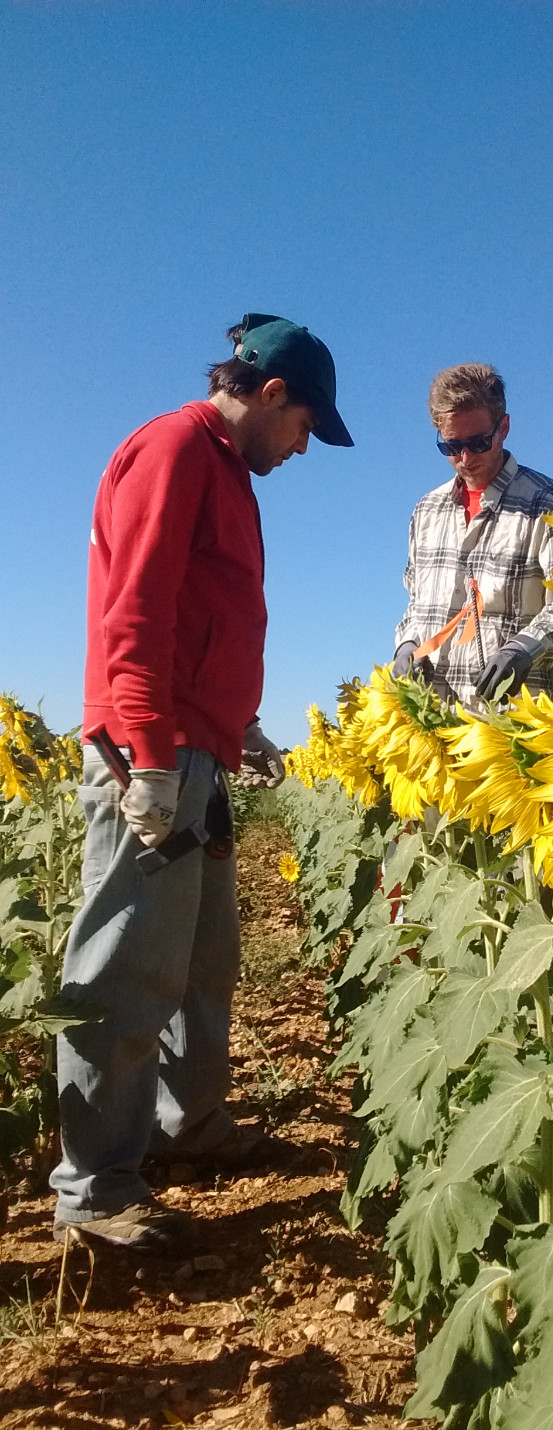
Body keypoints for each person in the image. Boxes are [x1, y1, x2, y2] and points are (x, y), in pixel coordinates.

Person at [51, 313, 353, 1251]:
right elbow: (134, 610)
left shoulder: (226, 472)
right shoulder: (176, 450)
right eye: (306, 426)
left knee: (203, 960)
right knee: (130, 966)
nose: (303, 447)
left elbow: (202, 619)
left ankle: (187, 1128)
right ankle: (95, 1186)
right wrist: (145, 758)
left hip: (200, 746)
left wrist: (243, 726)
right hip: (155, 751)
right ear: (271, 396)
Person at [393, 363, 553, 707]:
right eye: (451, 447)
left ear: (505, 427)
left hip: (523, 727)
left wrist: (523, 650)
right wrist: (407, 645)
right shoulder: (426, 511)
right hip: (441, 728)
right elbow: (416, 604)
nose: (465, 459)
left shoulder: (551, 506)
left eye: (479, 443)